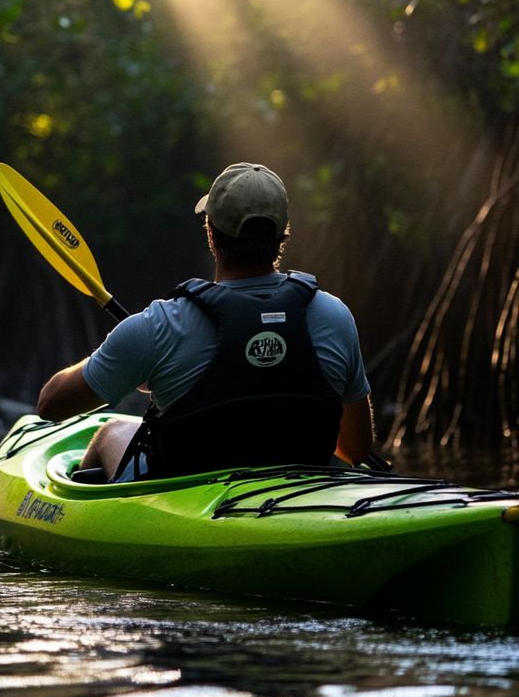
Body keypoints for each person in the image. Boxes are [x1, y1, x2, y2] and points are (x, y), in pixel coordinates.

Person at [37, 162, 374, 480]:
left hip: (184, 500)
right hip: (294, 497)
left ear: (211, 232)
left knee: (110, 431)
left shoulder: (158, 327)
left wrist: (127, 356)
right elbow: (355, 449)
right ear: (283, 233)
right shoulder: (334, 316)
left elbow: (50, 405)